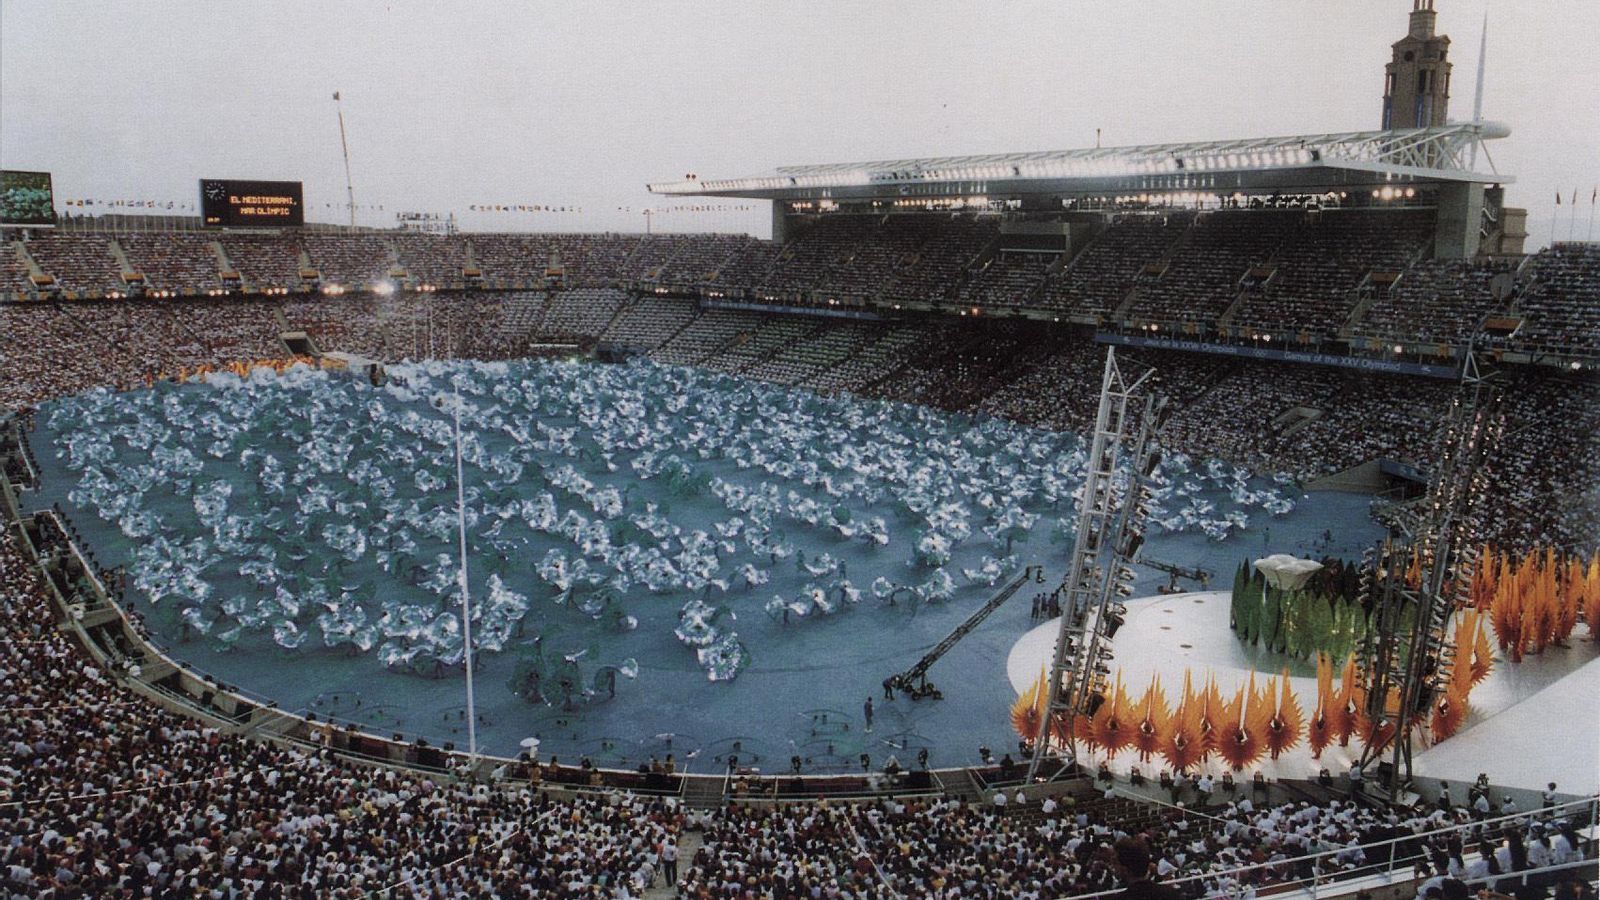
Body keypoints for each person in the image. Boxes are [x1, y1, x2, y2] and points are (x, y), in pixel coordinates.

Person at [1112, 835, 1181, 900]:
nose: (1114, 867)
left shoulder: (1121, 898)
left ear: (1125, 870)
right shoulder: (1170, 893)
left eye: (1115, 863)